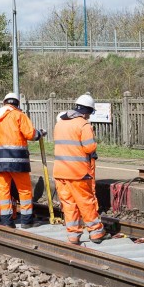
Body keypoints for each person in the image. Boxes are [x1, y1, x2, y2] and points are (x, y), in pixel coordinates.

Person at [53, 94, 107, 245]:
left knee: (69, 205)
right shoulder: (83, 125)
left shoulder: (60, 123)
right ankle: (96, 232)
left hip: (60, 172)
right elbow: (89, 147)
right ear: (87, 111)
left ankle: (73, 235)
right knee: (86, 203)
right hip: (78, 173)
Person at [0, 92, 45, 228]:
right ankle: (26, 221)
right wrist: (40, 133)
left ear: (4, 103)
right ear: (17, 104)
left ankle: (7, 221)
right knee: (24, 190)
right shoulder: (19, 115)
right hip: (17, 160)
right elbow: (30, 134)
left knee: (4, 190)